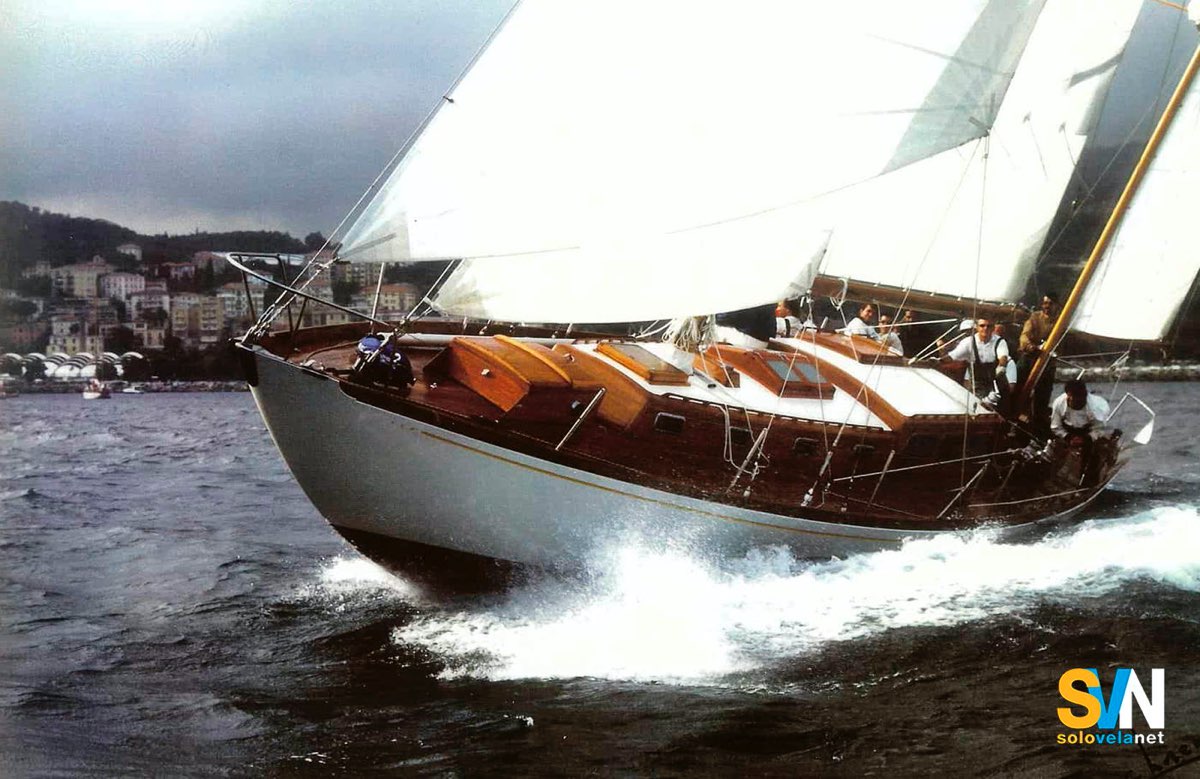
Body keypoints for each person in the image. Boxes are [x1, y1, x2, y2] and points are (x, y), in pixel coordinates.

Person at [1050, 379, 1110, 483]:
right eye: (1072, 398)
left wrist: (1086, 439)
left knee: (1092, 457)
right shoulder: (1059, 403)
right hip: (1068, 428)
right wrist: (1068, 437)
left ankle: (1088, 483)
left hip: (1088, 430)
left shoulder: (1097, 407)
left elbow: (1099, 430)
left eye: (1080, 398)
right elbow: (1055, 426)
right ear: (1067, 395)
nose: (1076, 401)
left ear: (1085, 395)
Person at [943, 317, 1011, 409]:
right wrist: (936, 361)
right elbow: (952, 356)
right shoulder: (968, 342)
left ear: (993, 328)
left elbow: (1003, 357)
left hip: (998, 383)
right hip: (978, 385)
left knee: (1003, 410)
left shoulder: (1000, 342)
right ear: (977, 327)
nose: (985, 328)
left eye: (989, 326)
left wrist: (1001, 367)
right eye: (982, 326)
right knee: (978, 408)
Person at [1019, 293, 1059, 437]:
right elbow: (1024, 336)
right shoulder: (1034, 318)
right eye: (1045, 303)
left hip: (1048, 362)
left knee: (1042, 397)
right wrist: (1032, 347)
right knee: (1019, 389)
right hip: (1029, 358)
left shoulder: (1060, 321)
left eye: (1050, 303)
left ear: (1056, 305)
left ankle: (1039, 429)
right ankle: (1017, 420)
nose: (1046, 306)